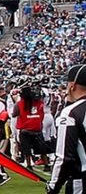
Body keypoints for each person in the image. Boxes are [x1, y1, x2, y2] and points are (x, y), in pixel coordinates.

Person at [48, 64, 86, 194]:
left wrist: (54, 186)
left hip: (81, 180)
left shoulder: (71, 112)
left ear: (72, 85)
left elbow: (64, 156)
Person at [15, 85, 47, 172]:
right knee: (42, 149)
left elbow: (14, 114)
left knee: (26, 149)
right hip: (37, 128)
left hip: (25, 129)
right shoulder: (39, 102)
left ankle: (29, 165)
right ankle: (46, 164)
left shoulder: (20, 103)